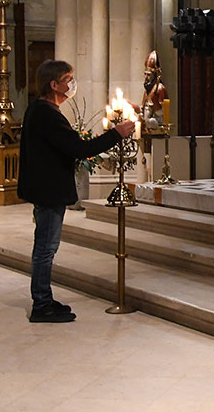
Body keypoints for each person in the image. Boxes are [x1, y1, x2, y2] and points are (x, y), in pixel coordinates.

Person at [18, 60, 134, 322]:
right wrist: (116, 133)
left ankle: (44, 297)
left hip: (46, 188)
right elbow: (79, 149)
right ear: (54, 84)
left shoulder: (41, 110)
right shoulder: (45, 113)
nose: (72, 83)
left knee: (46, 246)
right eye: (68, 78)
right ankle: (41, 305)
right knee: (46, 249)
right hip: (48, 190)